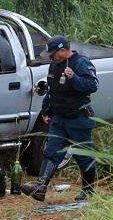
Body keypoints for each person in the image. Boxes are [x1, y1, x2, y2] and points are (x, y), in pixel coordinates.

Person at [21, 35, 99, 202]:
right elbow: (52, 91)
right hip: (59, 119)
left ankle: (88, 191)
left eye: (53, 54)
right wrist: (45, 110)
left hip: (78, 119)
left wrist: (74, 78)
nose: (51, 57)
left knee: (84, 155)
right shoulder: (54, 66)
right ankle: (40, 188)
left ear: (64, 50)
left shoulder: (81, 63)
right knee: (50, 153)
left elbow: (92, 86)